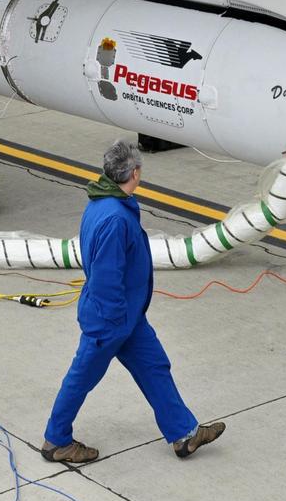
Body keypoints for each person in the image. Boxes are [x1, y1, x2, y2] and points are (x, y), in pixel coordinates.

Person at [42, 140, 225, 463]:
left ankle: (184, 433)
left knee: (155, 366)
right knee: (82, 377)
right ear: (135, 173)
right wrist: (114, 321)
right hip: (112, 318)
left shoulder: (105, 202)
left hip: (127, 316)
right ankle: (56, 441)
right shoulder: (114, 217)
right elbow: (106, 277)